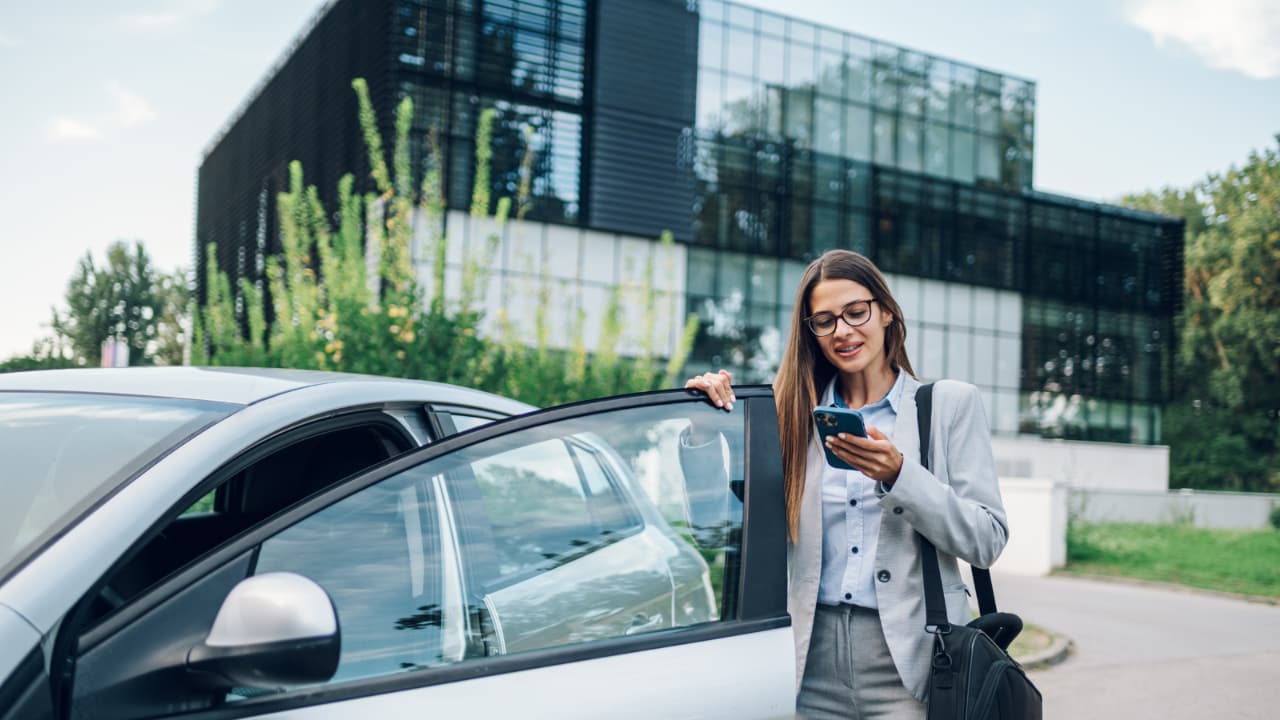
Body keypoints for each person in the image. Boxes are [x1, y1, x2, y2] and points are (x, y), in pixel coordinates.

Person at [683, 249, 1007, 719]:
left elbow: (987, 540)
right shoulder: (788, 418)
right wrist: (702, 434)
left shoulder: (947, 406)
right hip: (809, 663)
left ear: (887, 312)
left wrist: (901, 475)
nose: (843, 331)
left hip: (915, 667)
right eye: (825, 320)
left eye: (856, 312)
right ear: (811, 332)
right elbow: (716, 535)